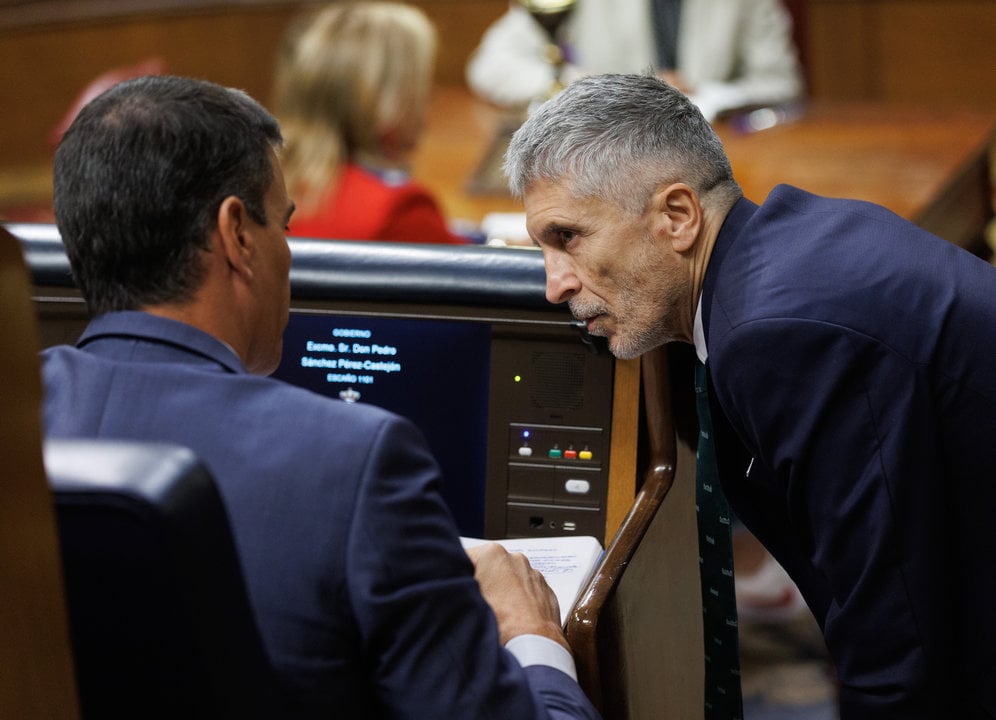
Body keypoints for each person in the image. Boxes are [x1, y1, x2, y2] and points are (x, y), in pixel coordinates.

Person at [41, 74, 600, 720]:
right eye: (283, 224)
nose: (288, 251)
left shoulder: (14, 428)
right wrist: (535, 636)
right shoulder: (354, 464)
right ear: (237, 236)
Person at [504, 72, 996, 719]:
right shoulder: (779, 249)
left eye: (568, 238)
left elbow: (895, 629)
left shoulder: (777, 334)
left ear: (677, 216)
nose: (554, 285)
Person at [274, 1, 469, 244]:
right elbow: (485, 273)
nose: (431, 96)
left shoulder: (260, 189)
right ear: (388, 100)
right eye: (421, 83)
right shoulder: (398, 209)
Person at [467, 0, 803, 122]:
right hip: (609, 151)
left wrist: (704, 94)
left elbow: (780, 82)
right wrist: (601, 86)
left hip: (712, 152)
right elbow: (492, 65)